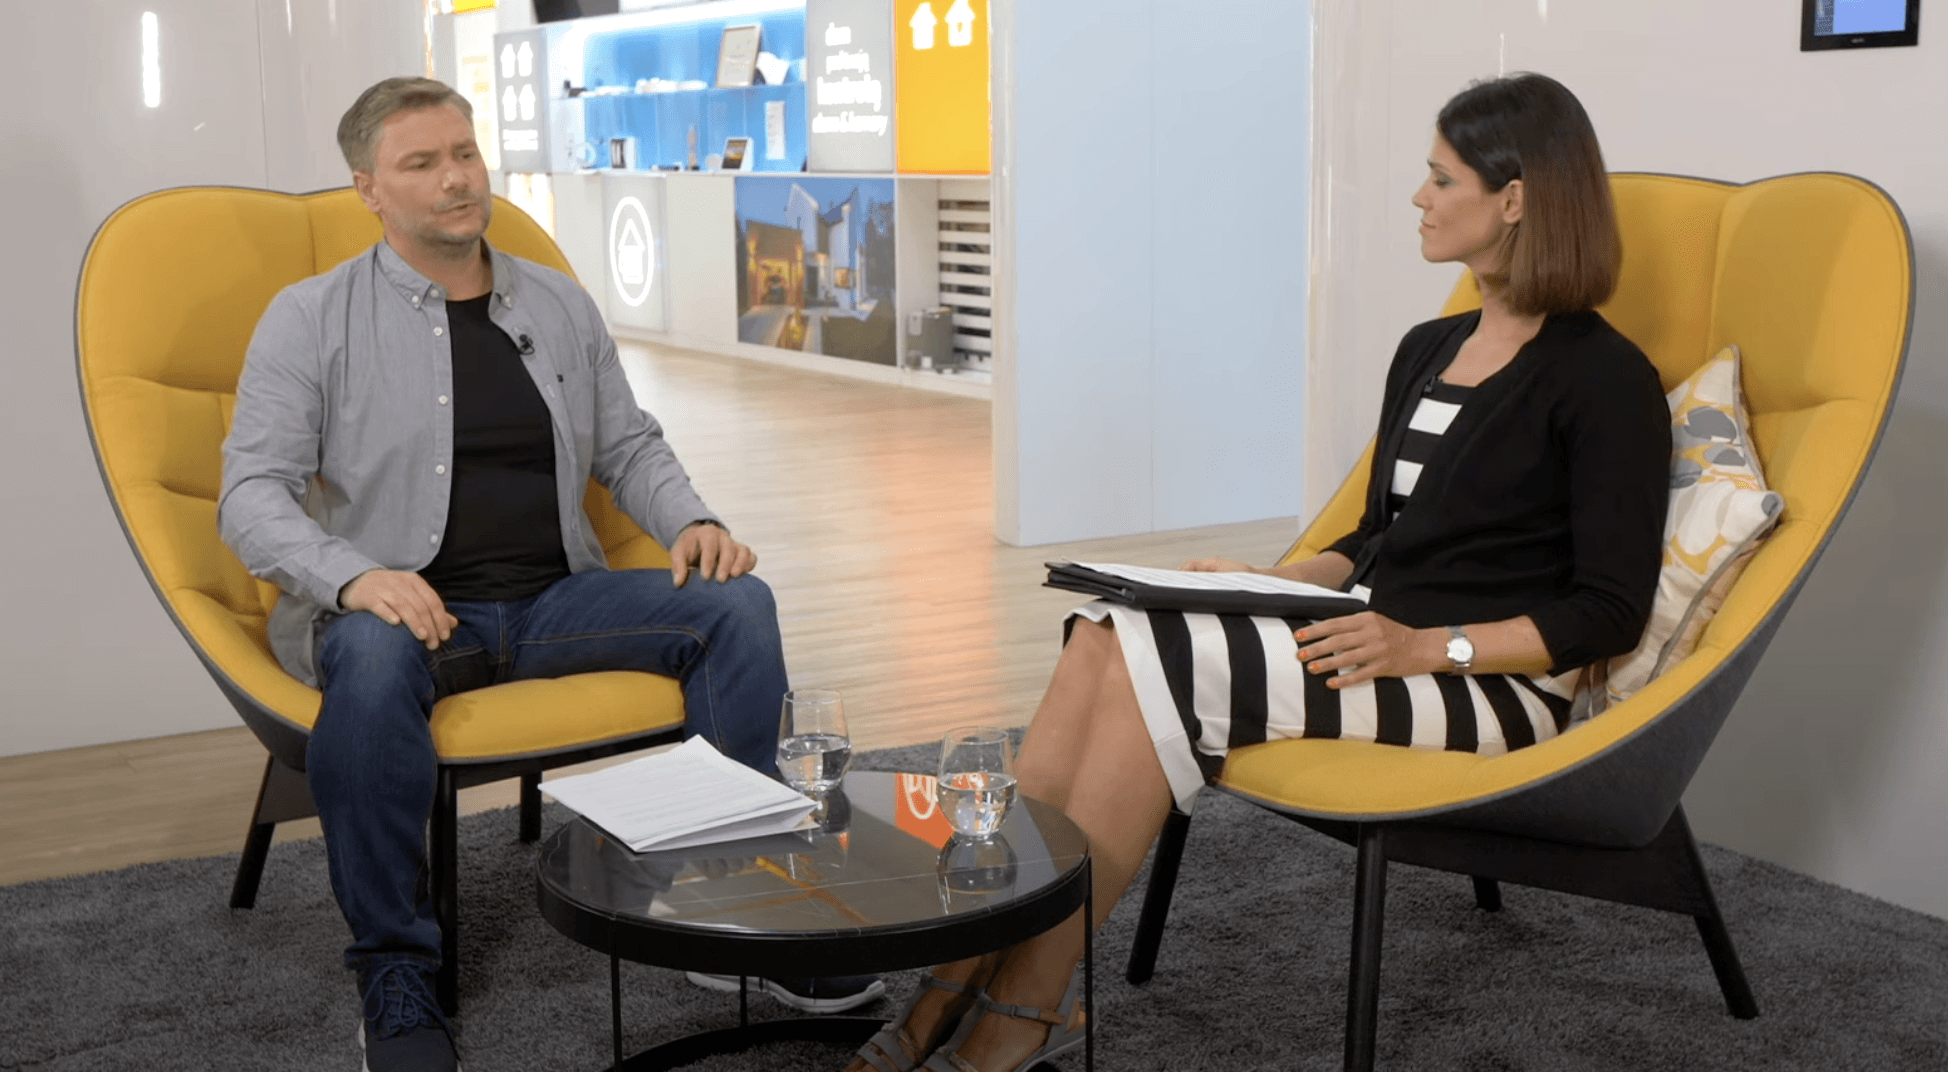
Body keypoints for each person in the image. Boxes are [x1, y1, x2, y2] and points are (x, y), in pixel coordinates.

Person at [846, 73, 1671, 1072]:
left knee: (1162, 666)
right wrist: (1267, 578)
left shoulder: (1605, 380)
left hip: (1490, 684)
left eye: (1440, 177)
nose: (1417, 196)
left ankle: (1022, 1006)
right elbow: (1379, 537)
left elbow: (1609, 609)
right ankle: (958, 975)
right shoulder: (1430, 347)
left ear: (1514, 200)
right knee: (1109, 628)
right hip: (1372, 632)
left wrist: (1426, 646)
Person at [218, 77, 880, 1072]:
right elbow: (249, 496)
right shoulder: (311, 317)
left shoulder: (556, 301)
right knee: (368, 656)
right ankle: (395, 971)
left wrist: (691, 519)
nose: (456, 178)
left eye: (464, 153)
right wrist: (354, 579)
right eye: (422, 163)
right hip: (411, 615)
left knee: (736, 605)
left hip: (556, 600)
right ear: (369, 189)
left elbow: (630, 443)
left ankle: (739, 902)